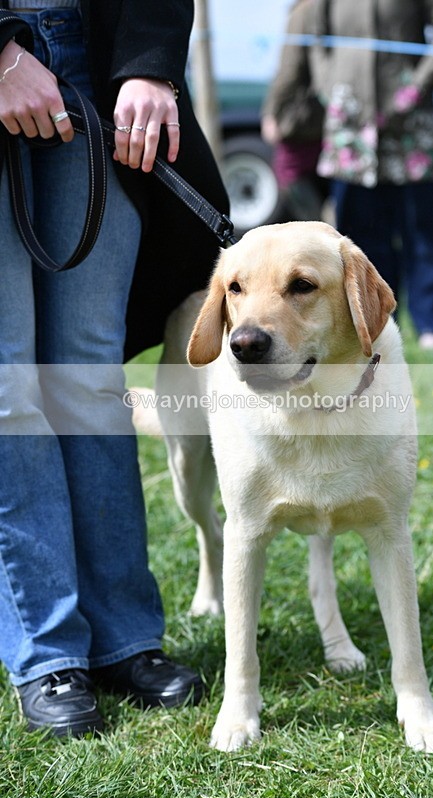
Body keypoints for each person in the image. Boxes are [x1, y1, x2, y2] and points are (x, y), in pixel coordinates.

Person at [0, 0, 228, 737]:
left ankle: (124, 638)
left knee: (89, 375)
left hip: (96, 64)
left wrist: (151, 64)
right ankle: (47, 651)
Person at [313, 0, 433, 350]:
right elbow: (315, 36)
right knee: (361, 232)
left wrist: (416, 86)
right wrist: (331, 85)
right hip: (351, 122)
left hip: (411, 120)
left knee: (425, 225)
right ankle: (373, 322)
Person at [261, 0, 328, 222]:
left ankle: (314, 228)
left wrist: (271, 112)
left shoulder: (303, 11)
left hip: (303, 120)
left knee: (288, 172)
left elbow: (289, 70)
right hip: (324, 116)